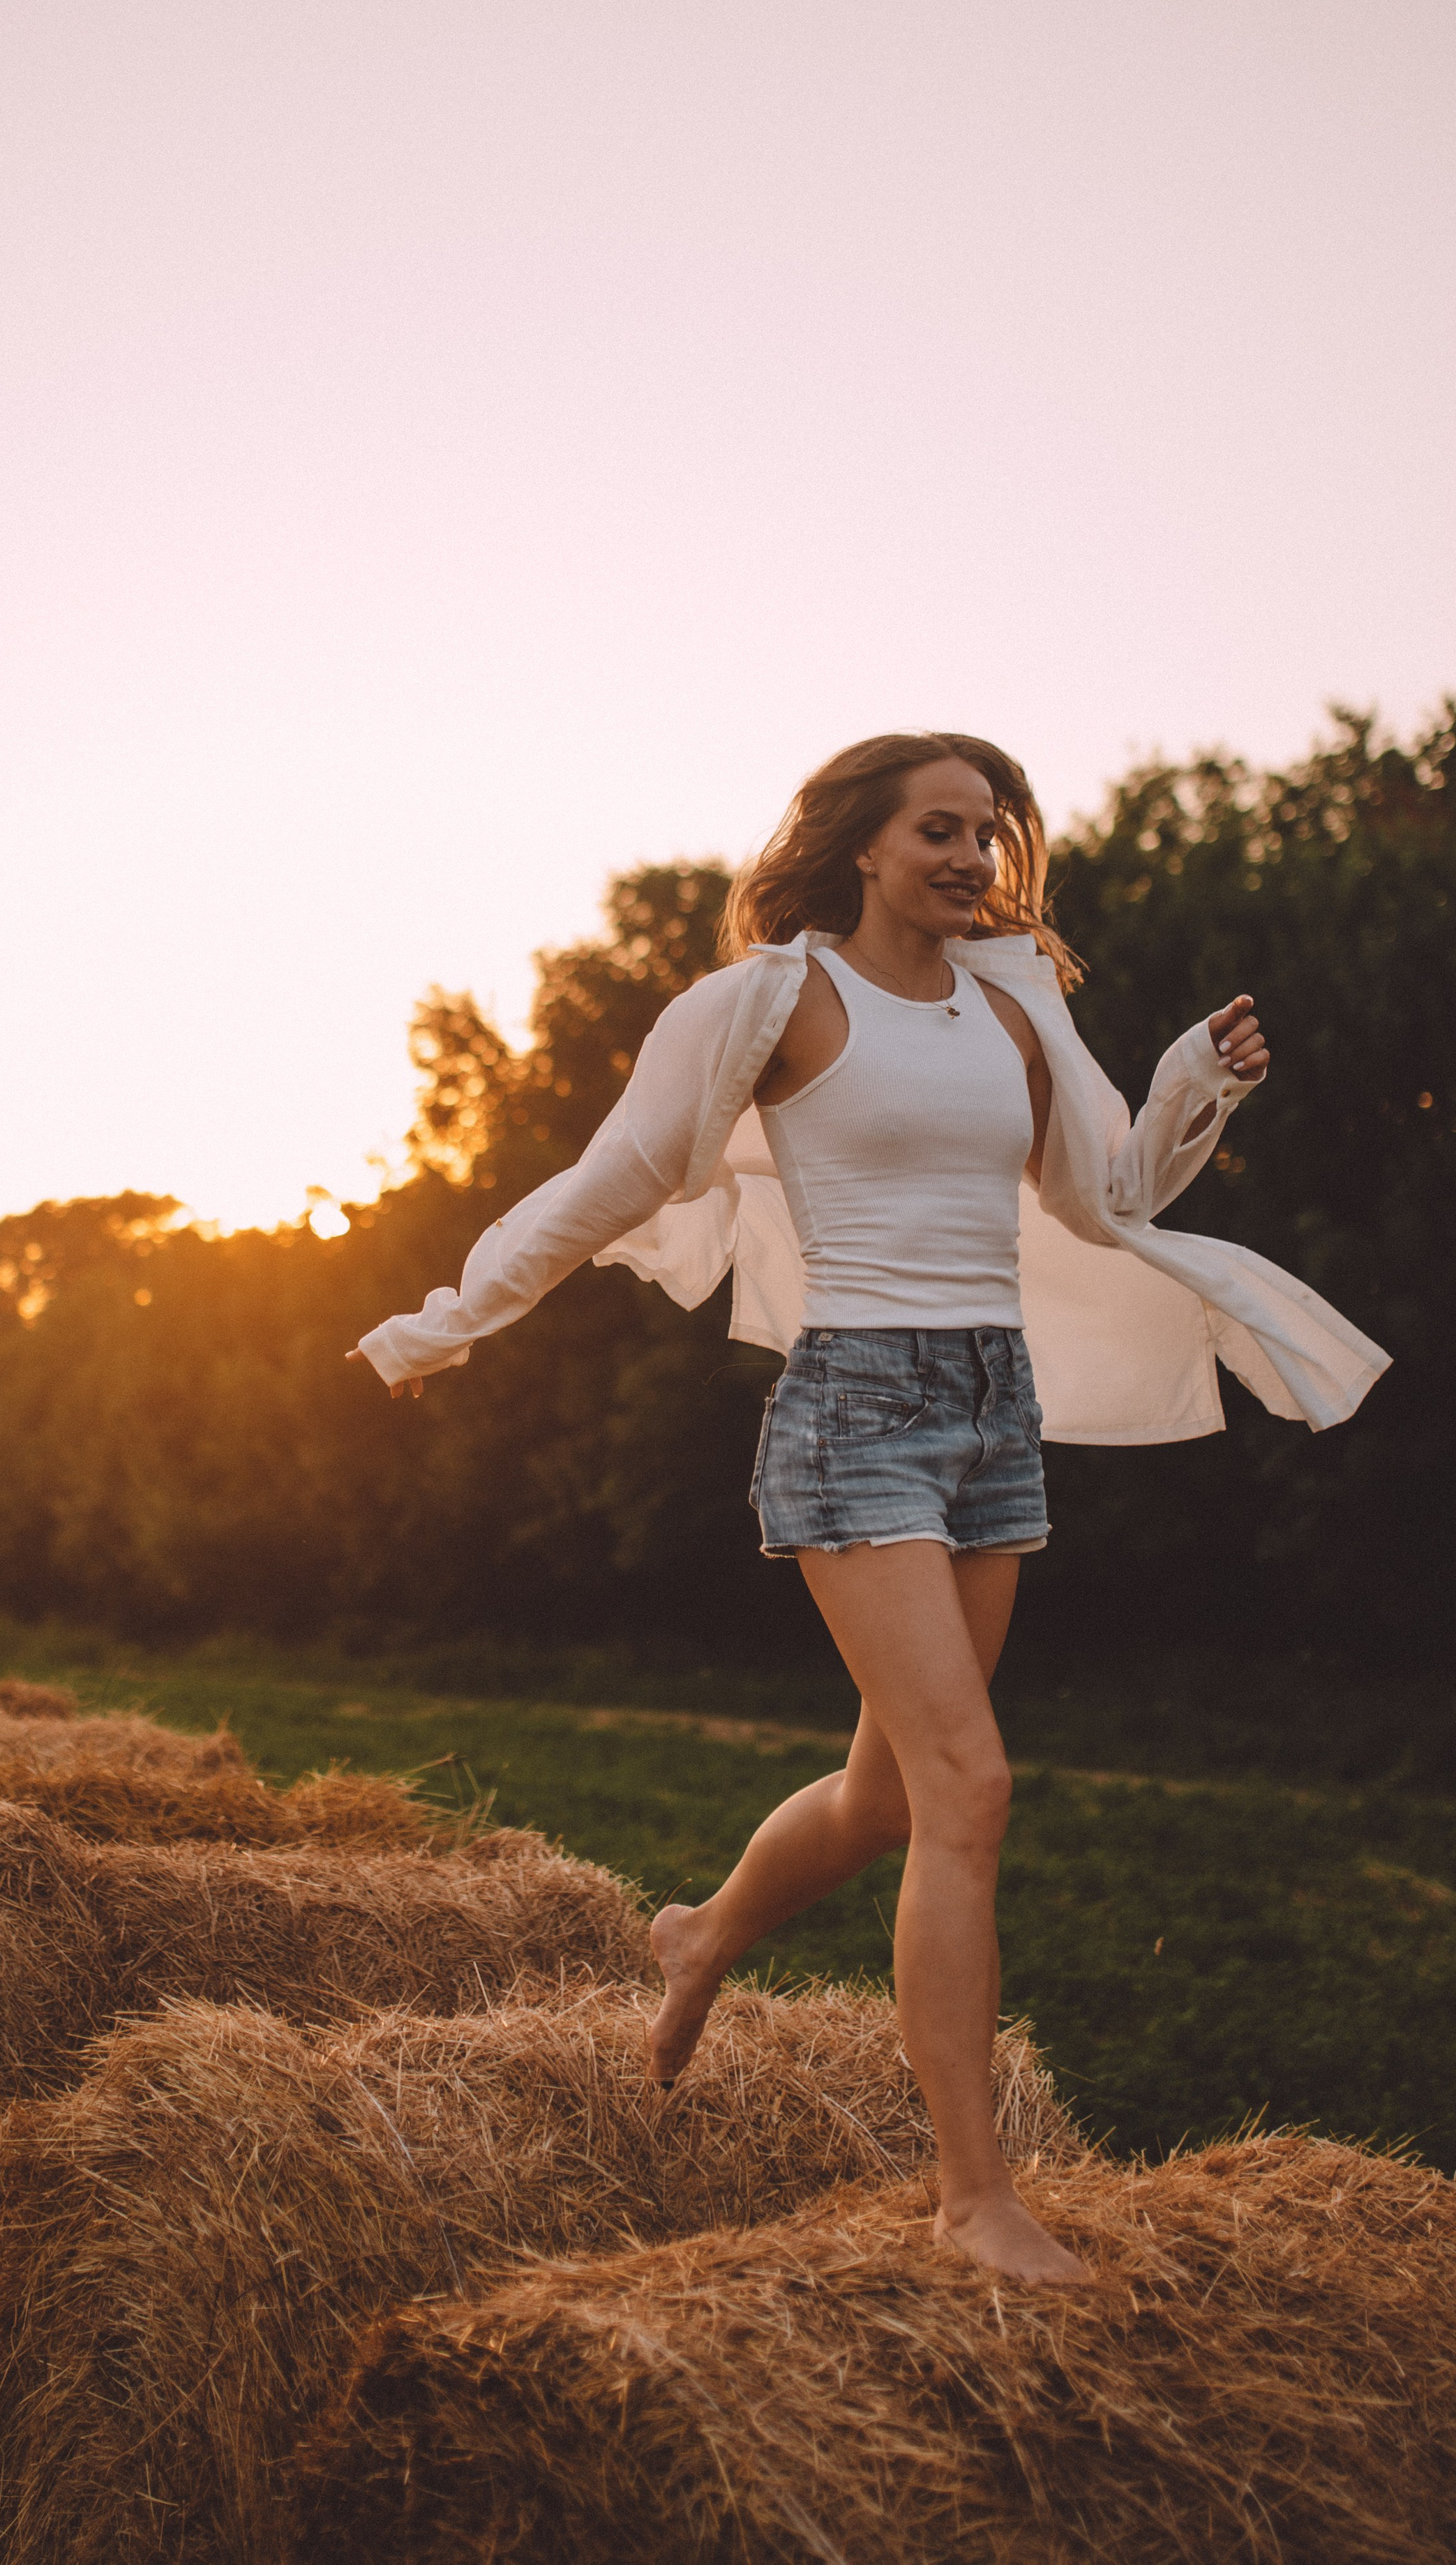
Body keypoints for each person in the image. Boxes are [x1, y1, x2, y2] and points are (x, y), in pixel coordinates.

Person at [347, 731, 1387, 2287]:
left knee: (892, 1798)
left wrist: (1188, 1089)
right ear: (859, 847)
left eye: (988, 833)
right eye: (938, 831)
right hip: (852, 1416)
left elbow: (1104, 1199)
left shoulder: (1014, 996)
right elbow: (609, 1177)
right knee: (969, 1784)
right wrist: (446, 1318)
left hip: (990, 1411)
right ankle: (972, 2197)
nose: (972, 858)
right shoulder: (769, 1000)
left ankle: (697, 1931)